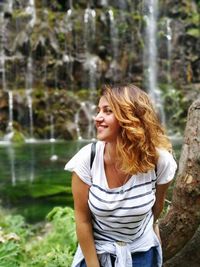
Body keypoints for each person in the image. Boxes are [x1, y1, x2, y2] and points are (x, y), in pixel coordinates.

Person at [64, 84, 177, 267]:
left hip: (141, 252)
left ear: (130, 118)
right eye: (99, 110)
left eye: (107, 111)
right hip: (98, 253)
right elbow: (82, 220)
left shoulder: (160, 161)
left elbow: (156, 207)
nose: (97, 117)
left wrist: (150, 230)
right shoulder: (87, 159)